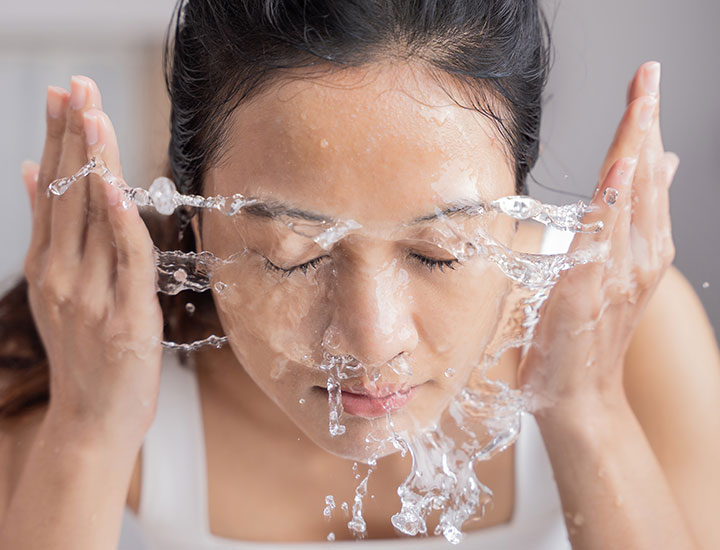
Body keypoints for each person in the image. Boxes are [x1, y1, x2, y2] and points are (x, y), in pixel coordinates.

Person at [1, 1, 719, 548]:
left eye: (440, 251)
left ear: (515, 203)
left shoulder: (634, 337)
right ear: (194, 212)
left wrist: (588, 411)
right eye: (294, 254)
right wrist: (88, 428)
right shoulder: (66, 366)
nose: (372, 342)